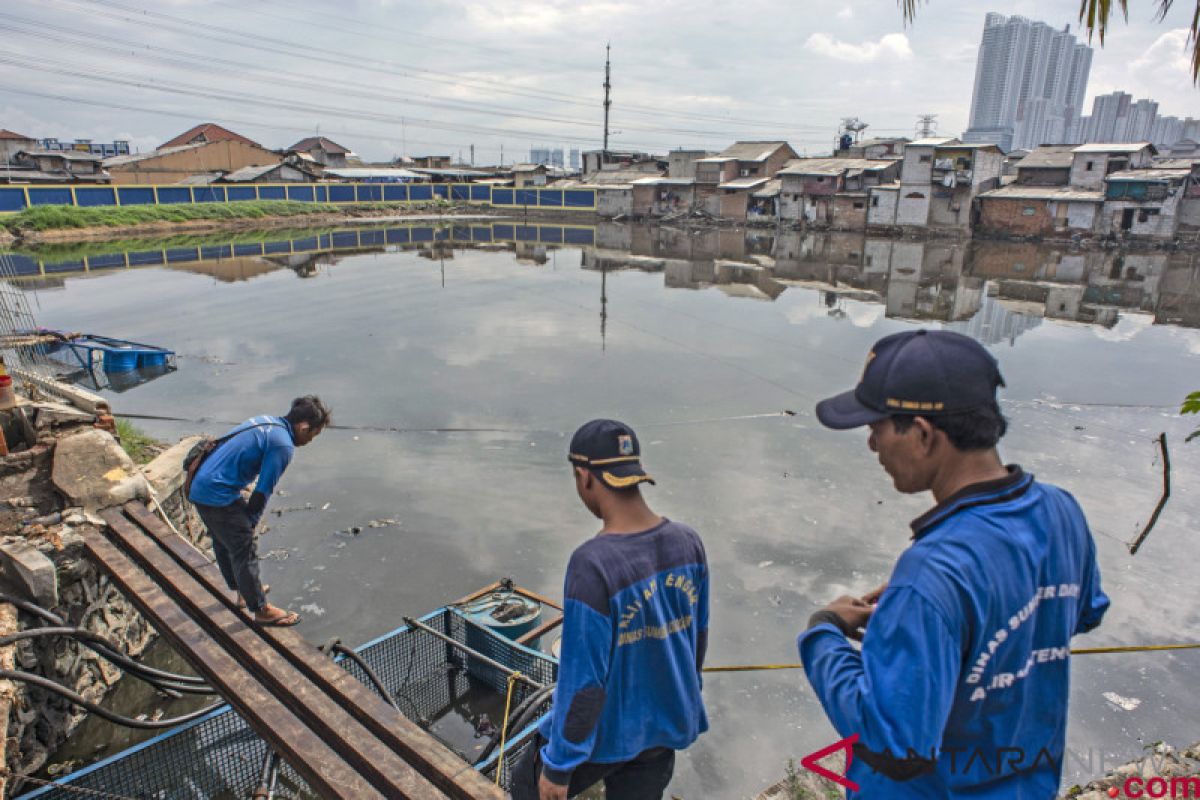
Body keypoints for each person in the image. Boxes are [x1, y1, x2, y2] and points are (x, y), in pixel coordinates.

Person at [799, 329, 1109, 798]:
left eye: (876, 429)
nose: (872, 446)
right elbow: (1079, 613)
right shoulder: (1061, 511)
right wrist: (936, 629)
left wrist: (823, 632)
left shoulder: (932, 573)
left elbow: (895, 748)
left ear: (922, 434)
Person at [511, 419, 709, 800]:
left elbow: (584, 681)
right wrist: (684, 695)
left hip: (608, 733)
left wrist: (559, 765)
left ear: (584, 477)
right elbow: (697, 637)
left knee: (524, 782)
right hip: (663, 727)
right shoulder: (689, 543)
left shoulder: (593, 563)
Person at [188, 395, 330, 627]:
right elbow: (263, 490)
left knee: (224, 541)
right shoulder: (283, 445)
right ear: (304, 427)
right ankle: (261, 609)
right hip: (217, 494)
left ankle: (243, 591)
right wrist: (251, 521)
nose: (311, 440)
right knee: (244, 547)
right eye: (314, 434)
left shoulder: (265, 421)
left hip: (201, 485)